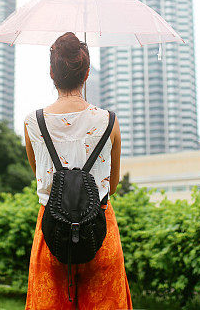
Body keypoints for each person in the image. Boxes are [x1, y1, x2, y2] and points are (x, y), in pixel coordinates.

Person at [23, 31, 133, 309]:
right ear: (86, 75)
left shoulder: (33, 123)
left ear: (51, 72)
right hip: (100, 230)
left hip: (52, 233)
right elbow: (113, 183)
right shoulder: (109, 121)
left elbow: (40, 174)